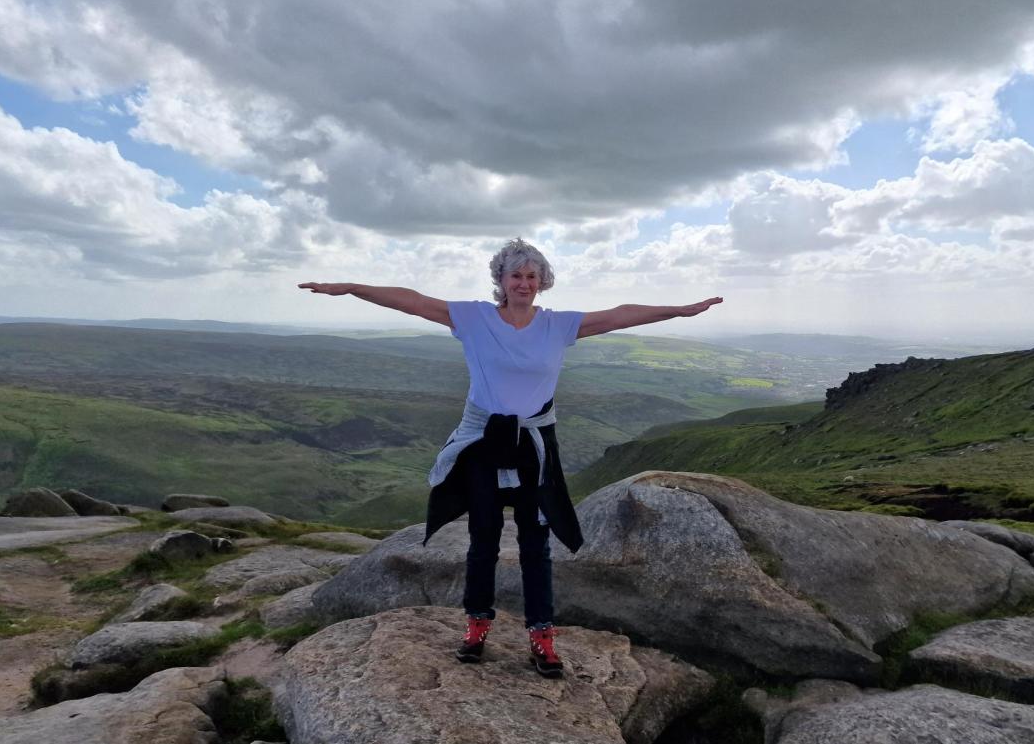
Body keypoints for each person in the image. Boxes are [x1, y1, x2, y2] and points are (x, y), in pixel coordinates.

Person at [298, 238, 722, 677]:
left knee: (534, 544)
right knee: (483, 538)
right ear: (500, 279)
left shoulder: (557, 326)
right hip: (484, 442)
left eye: (532, 275)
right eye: (516, 274)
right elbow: (412, 301)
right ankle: (477, 624)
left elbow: (620, 314)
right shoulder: (474, 318)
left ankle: (542, 635)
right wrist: (350, 287)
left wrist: (681, 310)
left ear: (542, 282)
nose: (524, 282)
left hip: (533, 445)